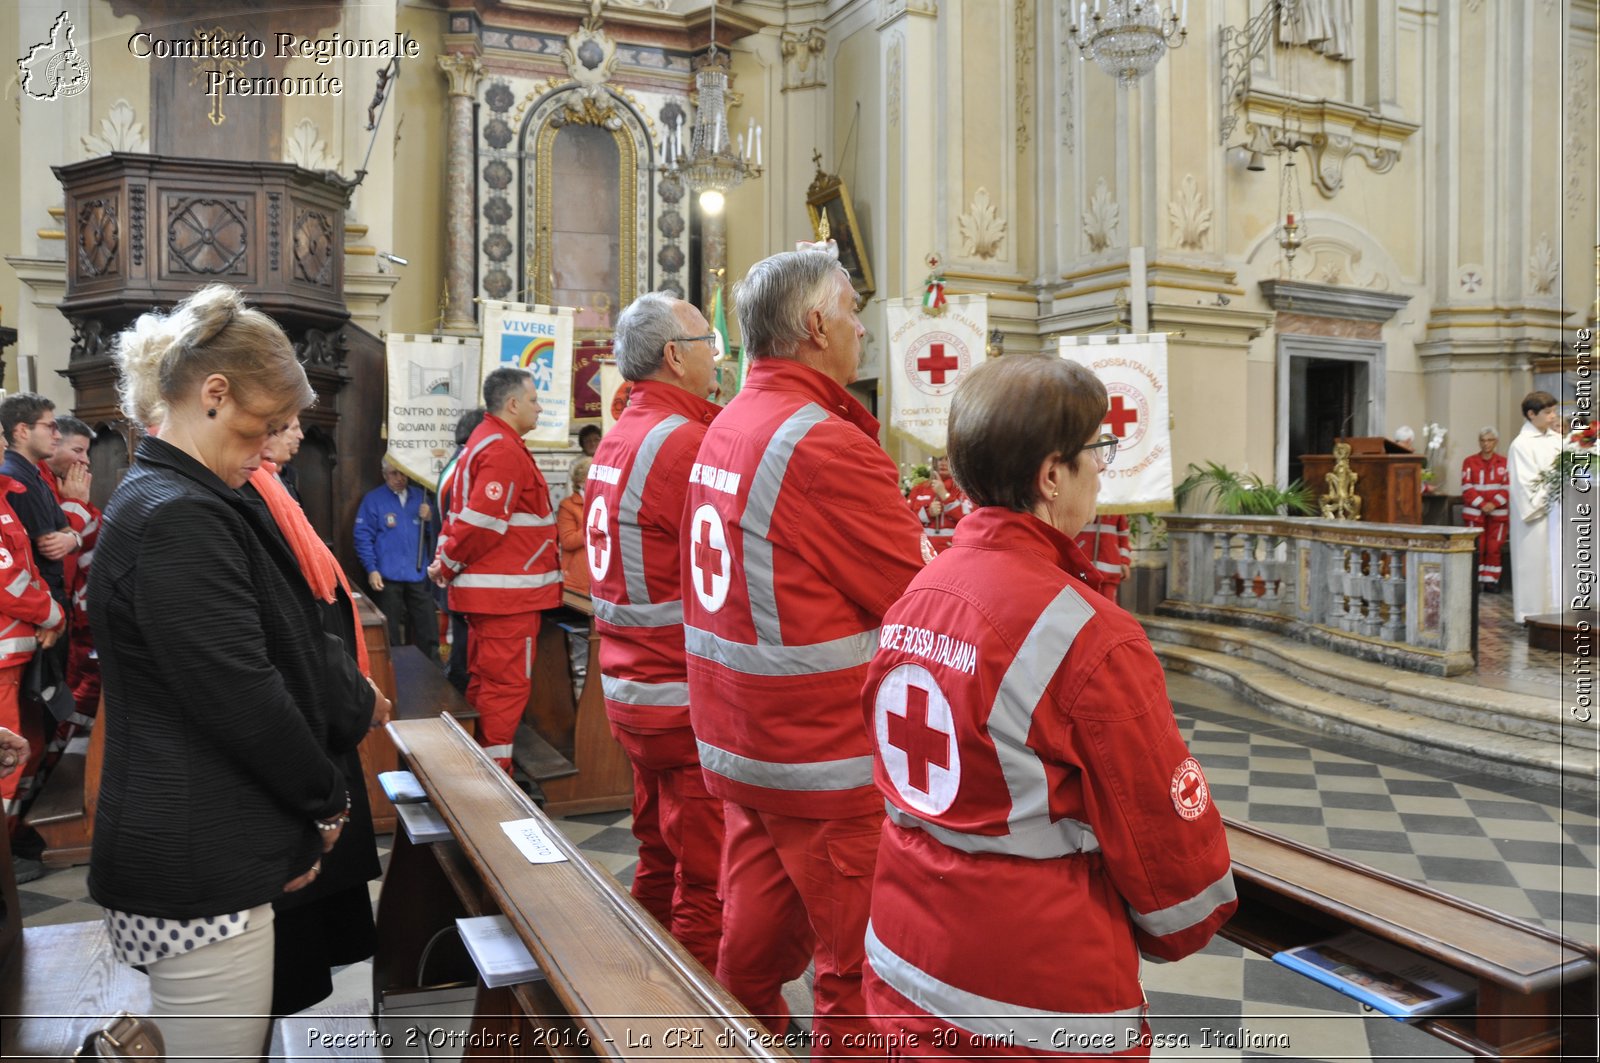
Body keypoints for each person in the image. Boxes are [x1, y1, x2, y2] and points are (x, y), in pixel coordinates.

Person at [860, 355, 1237, 1059]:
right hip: (1033, 1000)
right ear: (1051, 475)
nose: (1104, 466)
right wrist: (1179, 923)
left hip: (904, 956)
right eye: (1097, 448)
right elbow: (1169, 855)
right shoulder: (1089, 634)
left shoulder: (922, 586)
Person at [89, 284, 381, 1059]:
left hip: (199, 845)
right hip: (198, 856)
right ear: (214, 394)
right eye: (262, 426)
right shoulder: (178, 514)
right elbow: (242, 695)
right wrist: (326, 803)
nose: (267, 447)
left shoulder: (171, 493)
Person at [682, 250, 927, 1050]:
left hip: (743, 746)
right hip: (825, 759)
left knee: (749, 951)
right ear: (817, 326)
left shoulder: (727, 423)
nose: (862, 325)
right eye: (853, 308)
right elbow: (913, 598)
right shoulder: (821, 442)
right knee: (854, 972)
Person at [587, 292, 724, 969]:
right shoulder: (687, 444)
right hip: (681, 694)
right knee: (709, 882)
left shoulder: (620, 434)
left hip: (632, 685)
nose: (717, 359)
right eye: (708, 345)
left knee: (656, 854)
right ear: (675, 356)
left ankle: (633, 988)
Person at [243, 420, 390, 1016]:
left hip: (315, 704)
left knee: (299, 960)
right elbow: (290, 631)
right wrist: (352, 694)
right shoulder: (240, 497)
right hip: (292, 735)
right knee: (277, 974)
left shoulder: (268, 488)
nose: (300, 433)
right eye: (285, 421)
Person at [429, 368, 560, 771]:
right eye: (535, 399)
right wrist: (447, 565)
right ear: (513, 403)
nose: (539, 407)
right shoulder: (501, 448)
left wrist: (446, 562)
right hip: (506, 597)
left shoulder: (491, 441)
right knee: (505, 689)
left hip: (500, 595)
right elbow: (481, 523)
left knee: (489, 685)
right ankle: (495, 785)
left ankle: (485, 773)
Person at [0, 466, 65, 875]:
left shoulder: (6, 495)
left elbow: (28, 569)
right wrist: (51, 612)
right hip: (3, 656)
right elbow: (5, 580)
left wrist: (49, 614)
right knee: (5, 761)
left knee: (27, 749)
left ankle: (9, 837)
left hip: (18, 653)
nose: (3, 444)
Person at [355, 454, 440, 661]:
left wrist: (431, 519)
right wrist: (371, 569)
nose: (399, 477)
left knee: (427, 628)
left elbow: (439, 535)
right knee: (389, 631)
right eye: (394, 473)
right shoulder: (373, 500)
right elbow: (362, 537)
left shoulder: (421, 498)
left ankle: (432, 670)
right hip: (388, 576)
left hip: (419, 574)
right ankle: (394, 670)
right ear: (384, 475)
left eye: (403, 473)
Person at [0, 392, 79, 610]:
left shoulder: (34, 475)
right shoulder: (15, 477)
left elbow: (65, 531)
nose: (57, 436)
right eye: (50, 427)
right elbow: (50, 546)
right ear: (23, 431)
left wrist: (73, 539)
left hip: (49, 596)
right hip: (40, 600)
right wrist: (71, 538)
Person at [438, 408, 486, 693]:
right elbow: (463, 529)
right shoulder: (463, 470)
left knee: (464, 647)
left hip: (455, 569)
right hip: (462, 572)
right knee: (465, 654)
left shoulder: (456, 465)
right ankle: (461, 705)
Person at [1508, 392, 1562, 623]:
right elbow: (1525, 484)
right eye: (1548, 412)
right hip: (1537, 516)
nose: (1553, 417)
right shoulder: (1520, 445)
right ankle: (1530, 614)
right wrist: (1553, 490)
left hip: (1559, 514)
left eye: (1554, 411)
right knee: (1534, 565)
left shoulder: (1557, 440)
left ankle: (1560, 610)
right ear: (1531, 414)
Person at [1461, 427, 1510, 593]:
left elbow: (1508, 487)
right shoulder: (1469, 461)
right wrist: (1483, 504)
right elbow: (1467, 487)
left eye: (1489, 440)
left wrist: (1494, 504)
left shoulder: (1505, 462)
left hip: (1498, 514)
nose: (1486, 444)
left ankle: (1491, 581)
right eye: (1483, 440)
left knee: (1493, 547)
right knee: (1477, 547)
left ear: (1495, 442)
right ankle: (1476, 580)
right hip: (1475, 514)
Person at [906, 455, 967, 553]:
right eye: (939, 459)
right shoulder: (919, 489)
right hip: (924, 551)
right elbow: (908, 519)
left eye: (947, 459)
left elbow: (967, 519)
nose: (942, 463)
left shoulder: (963, 490)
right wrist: (928, 512)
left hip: (953, 550)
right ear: (934, 462)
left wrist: (944, 496)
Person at [1074, 511, 1131, 603]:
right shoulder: (1081, 500)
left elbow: (1123, 536)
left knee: (1108, 609)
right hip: (1082, 567)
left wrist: (1124, 562)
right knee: (1084, 607)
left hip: (1110, 570)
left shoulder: (1117, 506)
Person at [558, 457, 592, 598]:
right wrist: (593, 527)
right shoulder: (568, 505)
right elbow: (567, 541)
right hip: (577, 581)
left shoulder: (609, 504)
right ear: (580, 481)